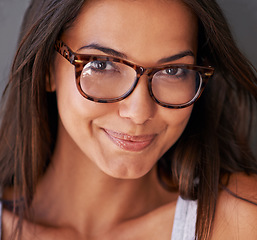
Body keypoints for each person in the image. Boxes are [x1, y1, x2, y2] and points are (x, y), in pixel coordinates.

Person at [0, 0, 257, 239]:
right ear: (47, 69)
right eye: (102, 65)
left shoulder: (238, 220)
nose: (139, 112)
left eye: (172, 71)